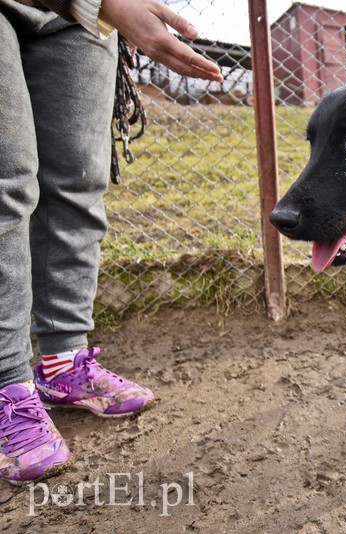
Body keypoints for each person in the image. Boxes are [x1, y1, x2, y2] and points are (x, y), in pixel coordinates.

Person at [0, 0, 222, 484]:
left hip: (76, 16)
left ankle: (62, 364)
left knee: (78, 182)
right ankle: (7, 386)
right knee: (5, 184)